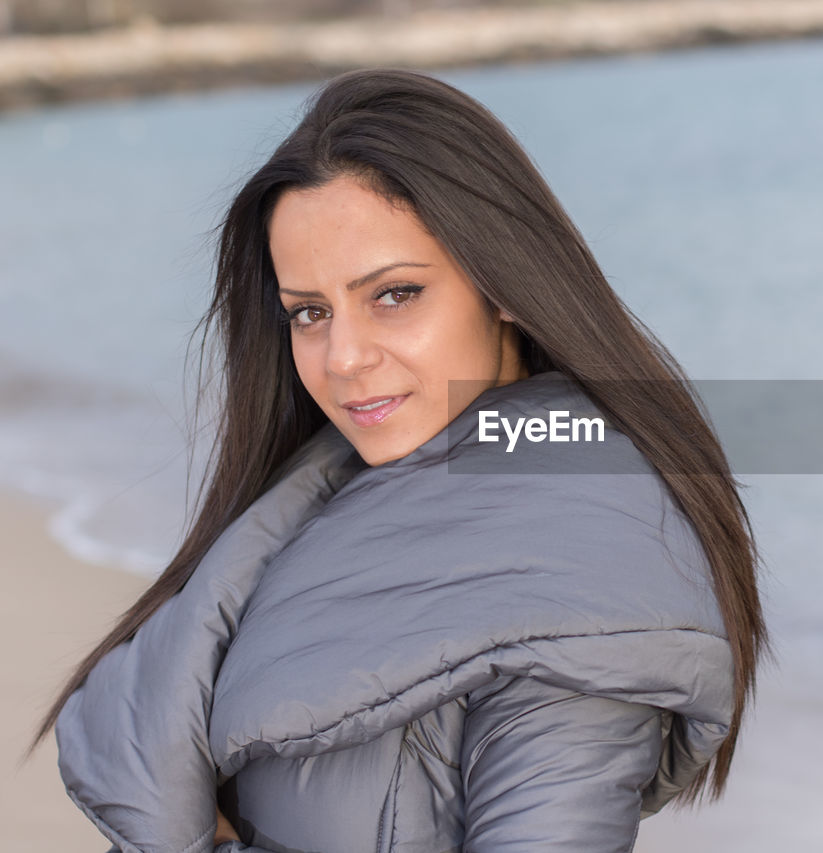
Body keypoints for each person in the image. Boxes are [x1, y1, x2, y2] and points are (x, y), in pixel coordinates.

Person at [34, 68, 766, 852]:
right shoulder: (324, 495)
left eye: (393, 294)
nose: (343, 357)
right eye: (309, 312)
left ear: (505, 282)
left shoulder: (576, 584)